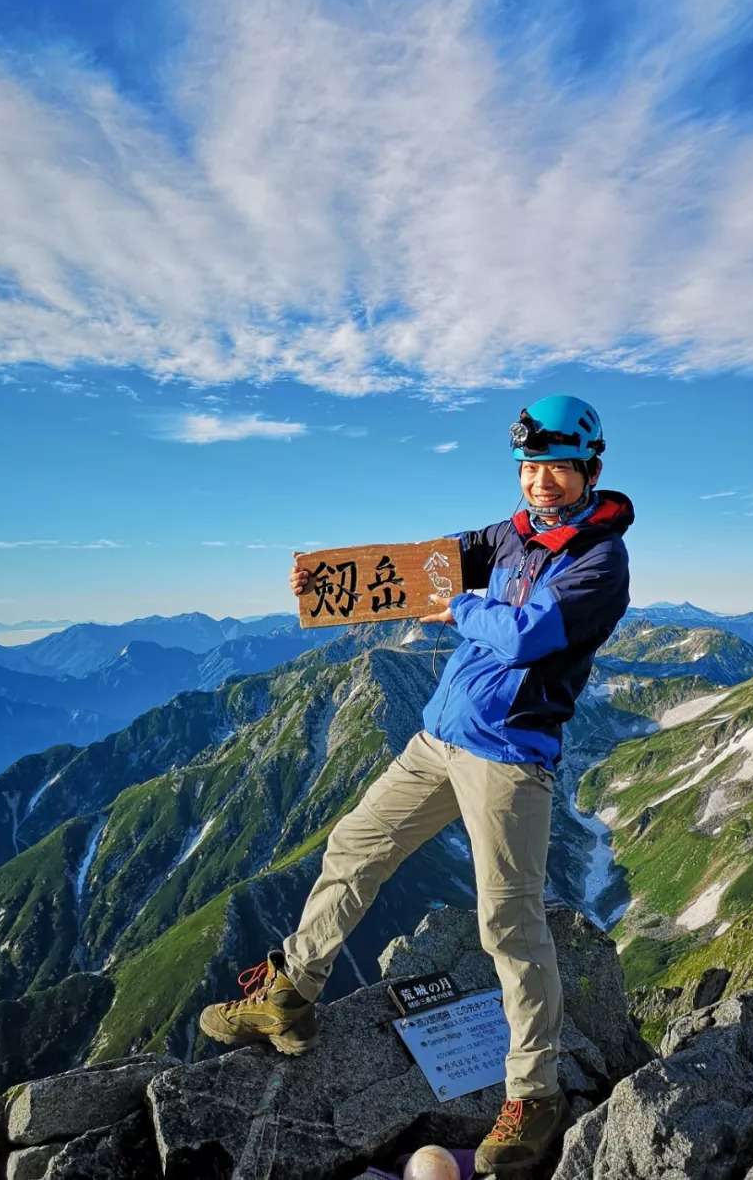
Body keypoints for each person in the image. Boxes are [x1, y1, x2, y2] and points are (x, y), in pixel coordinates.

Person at [199, 394, 634, 1176]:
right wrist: (338, 578)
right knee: (356, 844)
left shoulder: (600, 562)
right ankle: (292, 993)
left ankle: (533, 1095)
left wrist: (457, 603)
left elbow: (525, 632)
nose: (541, 481)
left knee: (510, 922)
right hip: (437, 740)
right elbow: (426, 563)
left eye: (557, 468)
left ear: (589, 470)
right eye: (531, 467)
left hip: (509, 756)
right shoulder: (509, 536)